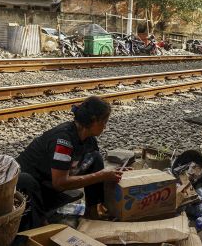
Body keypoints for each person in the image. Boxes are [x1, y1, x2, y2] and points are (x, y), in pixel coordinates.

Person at [16, 96, 122, 228]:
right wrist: (101, 176)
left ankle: (92, 211)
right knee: (26, 181)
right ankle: (40, 224)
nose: (105, 126)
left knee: (95, 158)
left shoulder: (89, 140)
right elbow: (60, 183)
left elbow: (93, 168)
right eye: (104, 122)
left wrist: (114, 174)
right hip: (28, 190)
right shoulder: (63, 140)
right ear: (94, 121)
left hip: (48, 184)